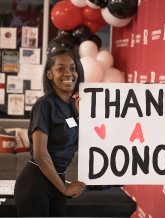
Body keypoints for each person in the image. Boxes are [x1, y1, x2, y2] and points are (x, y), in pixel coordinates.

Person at [14, 45, 86, 216]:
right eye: (61, 69)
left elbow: (74, 142)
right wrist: (64, 188)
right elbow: (40, 154)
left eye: (73, 68)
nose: (69, 73)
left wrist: (79, 115)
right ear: (50, 74)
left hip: (57, 180)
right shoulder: (45, 104)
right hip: (36, 183)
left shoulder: (71, 108)